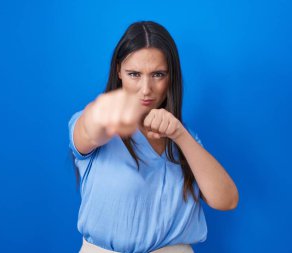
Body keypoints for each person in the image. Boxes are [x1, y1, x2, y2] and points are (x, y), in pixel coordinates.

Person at [68, 21, 239, 253]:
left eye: (158, 74)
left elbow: (227, 200)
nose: (146, 89)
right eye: (134, 74)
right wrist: (104, 112)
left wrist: (180, 135)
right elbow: (88, 130)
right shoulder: (94, 125)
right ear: (118, 71)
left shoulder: (184, 138)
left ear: (171, 77)